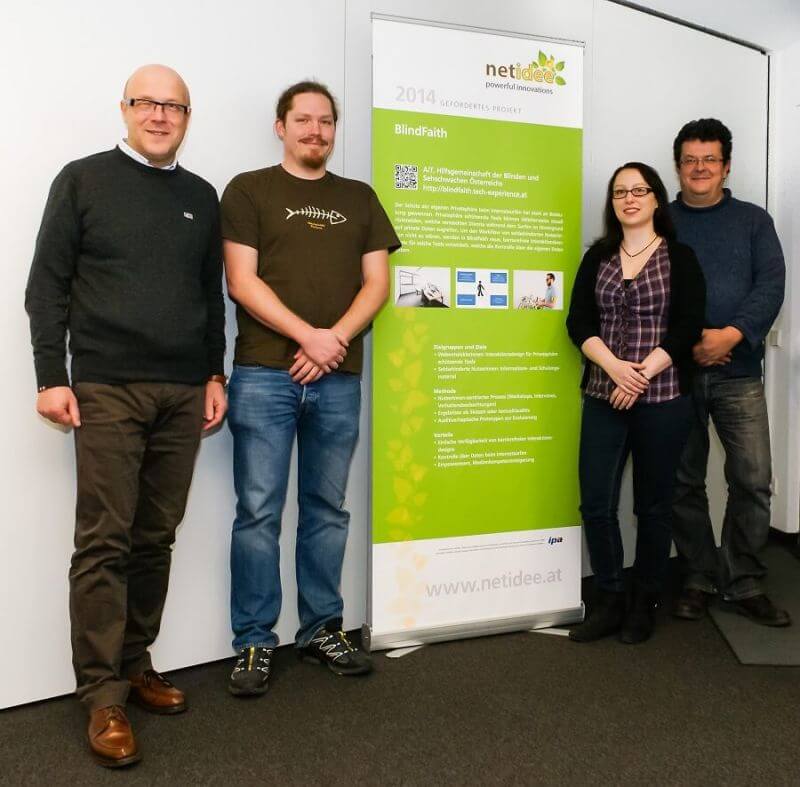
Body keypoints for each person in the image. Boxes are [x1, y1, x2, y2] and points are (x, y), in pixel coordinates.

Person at [24, 64, 226, 768]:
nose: (160, 115)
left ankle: (135, 662)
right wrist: (51, 376)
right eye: (148, 102)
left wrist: (213, 373)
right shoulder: (82, 180)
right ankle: (102, 694)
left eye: (175, 106)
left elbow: (209, 295)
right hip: (106, 388)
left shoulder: (201, 196)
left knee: (155, 536)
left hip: (182, 392)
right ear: (125, 108)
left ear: (187, 118)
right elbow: (46, 286)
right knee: (104, 542)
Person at [220, 81, 400, 696]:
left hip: (338, 379)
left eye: (325, 121)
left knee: (327, 511)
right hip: (263, 375)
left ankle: (323, 628)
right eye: (302, 120)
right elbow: (242, 282)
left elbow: (377, 284)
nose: (315, 131)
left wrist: (335, 341)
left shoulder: (359, 197)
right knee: (258, 513)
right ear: (281, 127)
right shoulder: (249, 190)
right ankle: (253, 641)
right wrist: (309, 338)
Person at [566, 162, 705, 644]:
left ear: (656, 199)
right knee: (596, 504)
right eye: (620, 191)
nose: (629, 198)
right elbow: (578, 323)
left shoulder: (679, 257)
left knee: (653, 506)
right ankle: (609, 599)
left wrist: (640, 374)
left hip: (663, 401)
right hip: (603, 396)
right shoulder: (597, 257)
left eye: (639, 190)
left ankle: (644, 602)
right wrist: (614, 368)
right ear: (612, 203)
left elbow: (687, 326)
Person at [669, 119, 789, 626]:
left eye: (710, 159)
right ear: (678, 166)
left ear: (726, 166)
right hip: (675, 374)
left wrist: (732, 335)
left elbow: (772, 283)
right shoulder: (660, 221)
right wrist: (694, 341)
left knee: (753, 479)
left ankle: (743, 581)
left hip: (738, 372)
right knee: (681, 482)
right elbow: (649, 287)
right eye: (690, 160)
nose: (700, 168)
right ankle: (698, 576)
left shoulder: (753, 221)